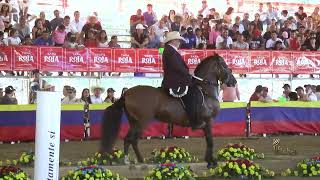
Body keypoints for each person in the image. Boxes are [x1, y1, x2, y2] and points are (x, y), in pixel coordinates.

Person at [161, 31, 205, 130]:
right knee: (192, 94)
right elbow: (176, 67)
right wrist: (188, 72)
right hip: (175, 81)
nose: (179, 42)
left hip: (177, 78)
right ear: (173, 41)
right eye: (178, 40)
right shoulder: (170, 51)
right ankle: (193, 121)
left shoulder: (170, 50)